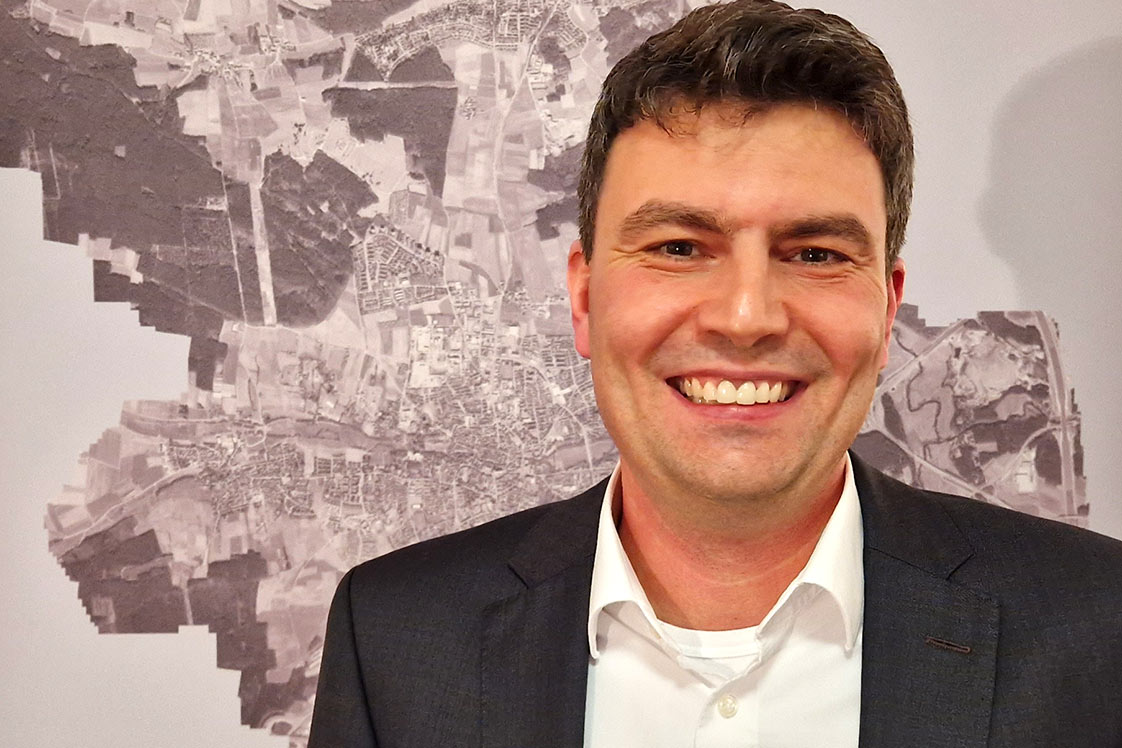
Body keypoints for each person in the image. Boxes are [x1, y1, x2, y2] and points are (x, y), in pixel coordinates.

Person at [308, 1, 1122, 745]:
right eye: (678, 247)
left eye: (815, 254)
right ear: (585, 299)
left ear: (885, 311)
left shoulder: (1099, 629)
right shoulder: (395, 638)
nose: (745, 316)